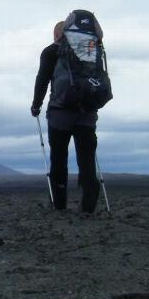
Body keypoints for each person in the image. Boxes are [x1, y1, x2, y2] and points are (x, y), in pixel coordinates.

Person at [31, 17, 102, 213]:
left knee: (59, 159)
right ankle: (88, 206)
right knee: (86, 160)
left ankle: (59, 205)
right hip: (86, 115)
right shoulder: (88, 49)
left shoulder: (50, 52)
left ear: (56, 35)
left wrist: (36, 105)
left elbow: (42, 81)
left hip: (59, 115)